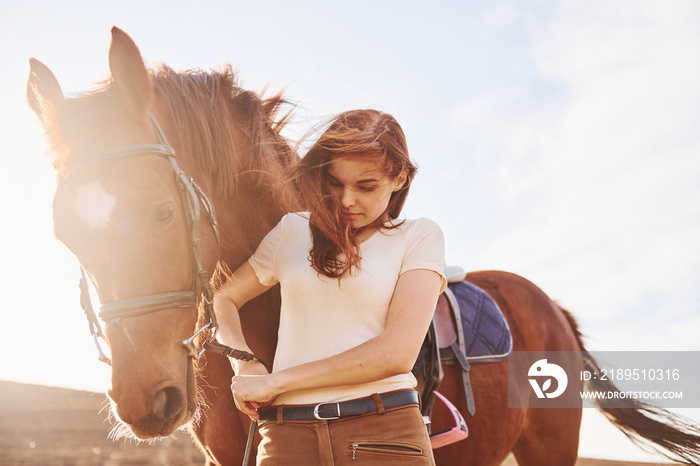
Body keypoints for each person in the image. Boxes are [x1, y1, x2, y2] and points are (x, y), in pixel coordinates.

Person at [213, 109, 447, 465]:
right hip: (285, 437)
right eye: (335, 183)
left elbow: (396, 353)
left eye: (366, 186)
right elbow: (223, 297)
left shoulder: (419, 235)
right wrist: (244, 365)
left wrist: (276, 382)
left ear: (400, 178)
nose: (346, 200)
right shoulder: (292, 230)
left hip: (384, 433)